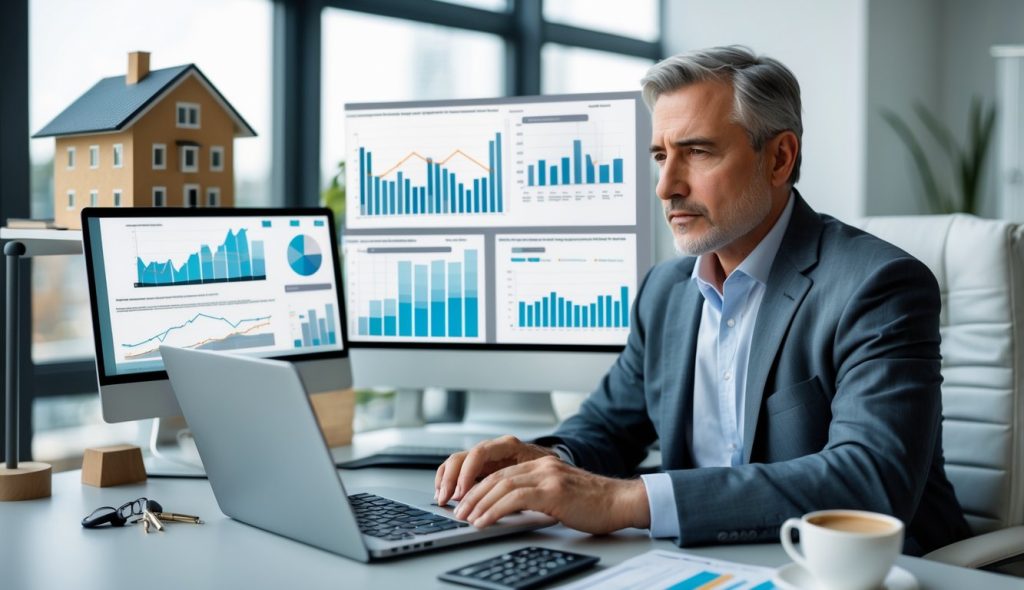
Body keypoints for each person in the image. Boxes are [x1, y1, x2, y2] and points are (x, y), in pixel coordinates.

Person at [434, 45, 970, 555]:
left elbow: (869, 479)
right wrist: (547, 462)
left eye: (696, 151)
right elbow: (606, 427)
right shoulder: (666, 291)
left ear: (779, 158)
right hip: (703, 563)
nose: (666, 185)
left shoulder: (879, 286)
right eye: (660, 156)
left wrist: (623, 500)